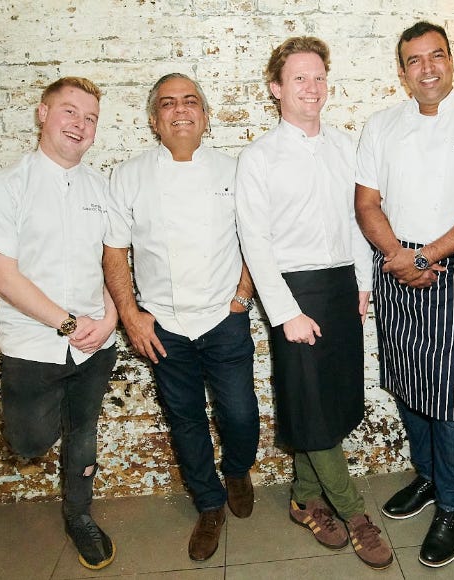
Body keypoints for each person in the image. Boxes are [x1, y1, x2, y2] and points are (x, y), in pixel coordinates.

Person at [355, 21, 454, 568]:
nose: (428, 68)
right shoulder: (381, 125)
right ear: (402, 73)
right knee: (405, 377)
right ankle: (427, 477)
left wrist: (427, 257)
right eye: (415, 60)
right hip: (394, 261)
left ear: (451, 62)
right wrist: (400, 258)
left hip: (449, 264)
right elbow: (367, 204)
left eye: (437, 56)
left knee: (447, 393)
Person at [235, 37, 393, 570]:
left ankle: (304, 499)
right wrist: (286, 313)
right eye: (299, 77)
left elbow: (357, 219)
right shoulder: (258, 156)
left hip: (342, 284)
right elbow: (254, 241)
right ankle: (353, 515)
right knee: (314, 405)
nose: (312, 87)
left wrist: (363, 282)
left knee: (329, 401)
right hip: (294, 293)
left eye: (319, 76)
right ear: (277, 88)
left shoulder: (347, 146)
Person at [102, 73, 260, 562]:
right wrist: (131, 315)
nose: (181, 110)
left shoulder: (235, 171)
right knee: (185, 419)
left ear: (206, 116)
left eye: (191, 101)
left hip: (223, 317)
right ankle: (209, 504)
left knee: (239, 412)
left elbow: (256, 239)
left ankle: (236, 468)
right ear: (155, 120)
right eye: (168, 104)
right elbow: (114, 251)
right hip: (163, 325)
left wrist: (241, 297)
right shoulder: (128, 176)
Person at [0, 77, 119, 570]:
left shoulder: (102, 188)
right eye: (70, 112)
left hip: (94, 343)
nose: (80, 125)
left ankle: (79, 515)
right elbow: (3, 275)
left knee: (84, 431)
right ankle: (46, 421)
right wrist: (68, 323)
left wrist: (111, 320)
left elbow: (111, 267)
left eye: (91, 118)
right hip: (33, 345)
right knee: (30, 440)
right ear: (42, 113)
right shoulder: (5, 185)